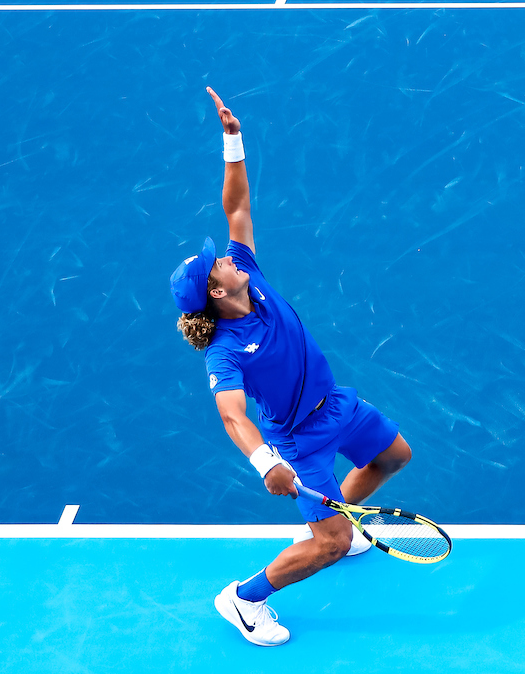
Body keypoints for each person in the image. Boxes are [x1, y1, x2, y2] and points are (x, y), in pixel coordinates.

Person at [169, 87, 413, 647]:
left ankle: (341, 520)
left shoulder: (247, 271)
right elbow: (232, 415)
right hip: (298, 442)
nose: (227, 256)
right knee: (325, 546)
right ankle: (243, 599)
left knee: (393, 457)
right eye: (218, 263)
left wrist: (233, 139)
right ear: (213, 289)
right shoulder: (225, 351)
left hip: (339, 404)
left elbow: (237, 206)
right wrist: (264, 462)